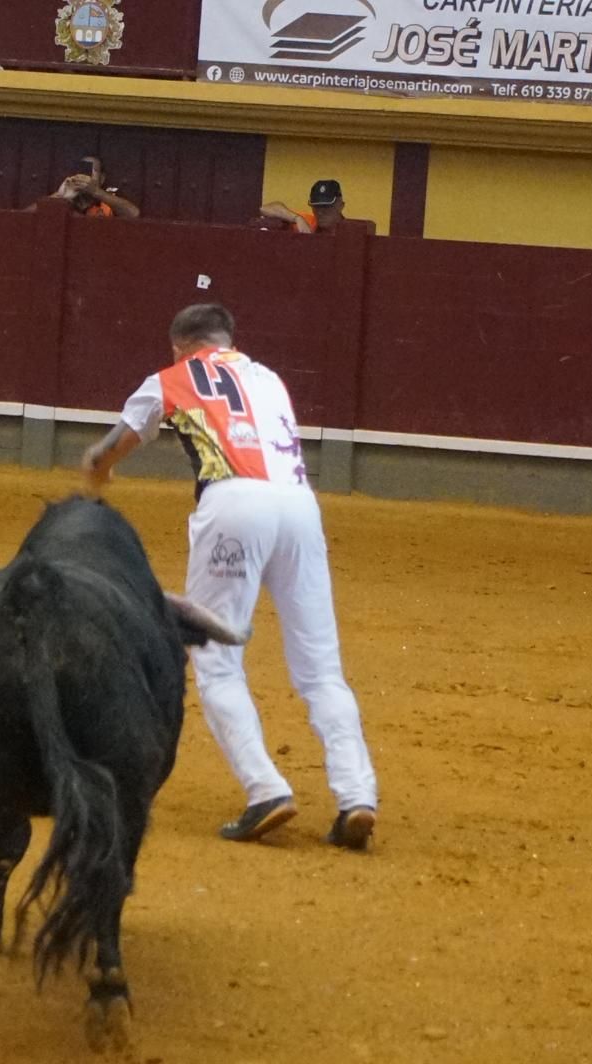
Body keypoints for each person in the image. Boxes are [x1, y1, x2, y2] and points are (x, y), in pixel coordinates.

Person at [81, 303, 378, 849]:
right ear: (228, 340)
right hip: (299, 507)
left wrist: (99, 466)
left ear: (180, 345)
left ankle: (266, 788)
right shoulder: (269, 377)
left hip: (233, 506)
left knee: (217, 658)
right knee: (321, 668)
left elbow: (118, 441)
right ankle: (356, 795)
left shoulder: (170, 377)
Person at [51, 153, 139, 218]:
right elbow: (37, 213)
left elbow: (133, 214)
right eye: (82, 170)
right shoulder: (66, 194)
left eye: (92, 171)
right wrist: (60, 196)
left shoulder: (110, 196)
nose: (86, 176)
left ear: (102, 178)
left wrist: (95, 191)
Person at [259, 179, 345, 233]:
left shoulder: (351, 232)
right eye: (316, 206)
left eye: (326, 206)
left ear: (341, 206)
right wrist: (297, 218)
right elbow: (265, 209)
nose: (320, 212)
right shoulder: (307, 221)